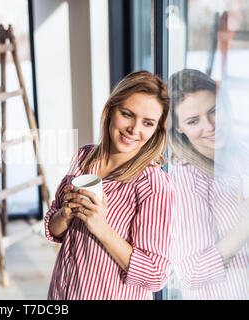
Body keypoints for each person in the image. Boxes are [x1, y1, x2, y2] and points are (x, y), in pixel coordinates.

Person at [44, 70, 174, 300]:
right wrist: (65, 214)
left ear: (157, 130)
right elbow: (53, 230)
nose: (134, 129)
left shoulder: (152, 185)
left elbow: (155, 275)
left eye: (148, 123)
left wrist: (101, 228)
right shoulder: (83, 158)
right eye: (127, 114)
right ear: (111, 110)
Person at [168, 69, 248, 299]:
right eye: (193, 121)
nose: (211, 125)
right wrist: (245, 227)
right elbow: (191, 274)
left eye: (215, 111)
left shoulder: (239, 152)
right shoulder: (185, 181)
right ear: (179, 128)